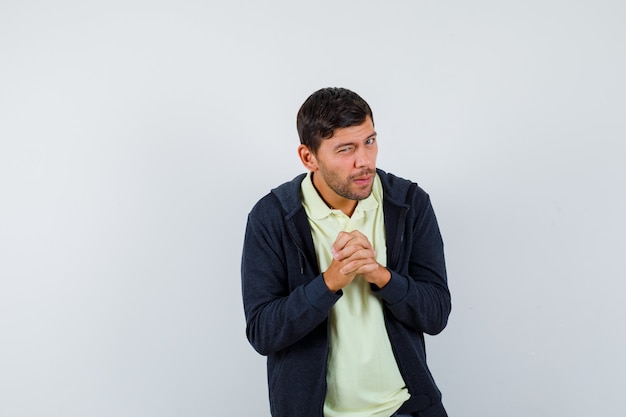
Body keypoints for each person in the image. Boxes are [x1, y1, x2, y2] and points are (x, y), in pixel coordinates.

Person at [241, 87, 451, 417]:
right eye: (345, 149)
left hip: (405, 409)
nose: (364, 161)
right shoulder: (271, 217)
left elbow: (436, 314)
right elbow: (263, 332)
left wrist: (381, 276)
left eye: (369, 141)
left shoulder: (409, 203)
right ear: (309, 157)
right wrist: (328, 283)